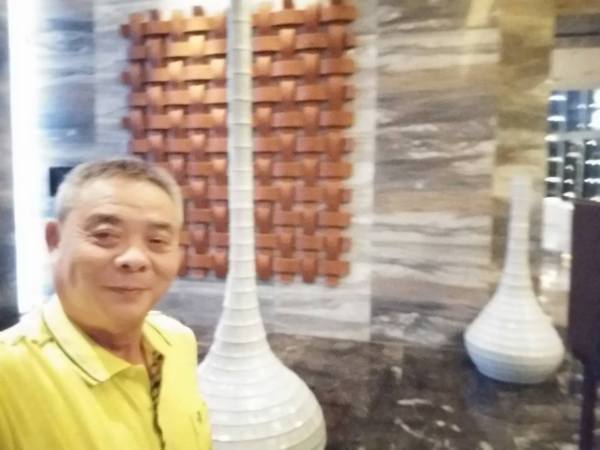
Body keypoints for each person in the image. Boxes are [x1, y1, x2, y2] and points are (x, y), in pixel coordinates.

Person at [0, 158, 212, 449]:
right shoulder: (8, 376)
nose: (135, 258)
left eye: (157, 240)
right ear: (55, 240)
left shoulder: (176, 342)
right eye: (105, 235)